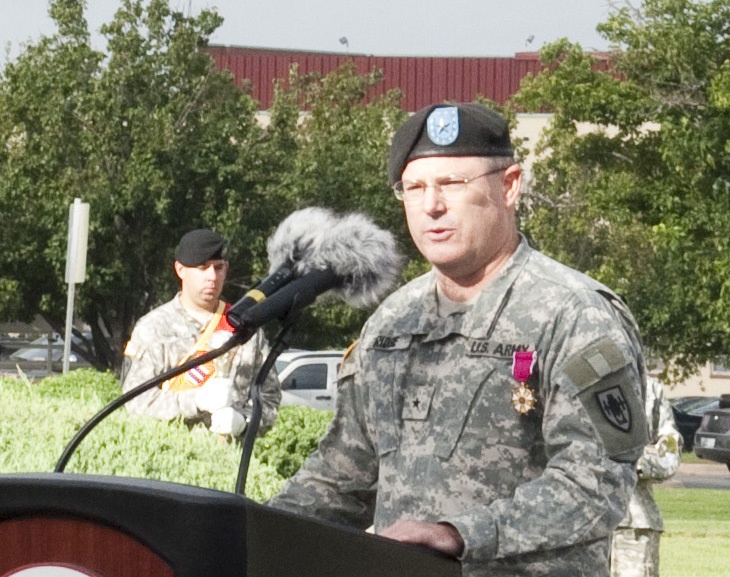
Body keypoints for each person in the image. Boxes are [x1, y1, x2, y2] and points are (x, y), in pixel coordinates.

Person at [267, 102, 649, 576]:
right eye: (414, 188)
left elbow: (597, 483)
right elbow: (341, 477)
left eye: (452, 184)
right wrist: (244, 534)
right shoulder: (391, 323)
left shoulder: (574, 315)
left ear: (509, 186)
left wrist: (460, 534)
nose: (432, 205)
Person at [121, 229, 281, 437]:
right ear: (180, 270)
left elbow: (269, 399)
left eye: (218, 268)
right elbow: (135, 403)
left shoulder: (247, 329)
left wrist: (244, 422)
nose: (212, 277)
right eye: (202, 268)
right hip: (169, 454)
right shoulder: (153, 329)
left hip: (231, 461)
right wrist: (195, 401)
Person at [610, 377, 682, 577]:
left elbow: (670, 453)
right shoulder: (565, 379)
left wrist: (632, 459)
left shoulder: (649, 389)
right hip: (575, 524)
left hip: (634, 525)